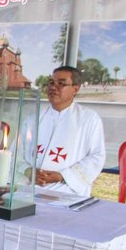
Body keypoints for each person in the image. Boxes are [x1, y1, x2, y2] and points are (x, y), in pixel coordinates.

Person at [34, 65, 106, 197]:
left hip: (67, 193)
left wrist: (62, 176)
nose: (53, 87)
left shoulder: (89, 119)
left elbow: (96, 157)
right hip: (30, 191)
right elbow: (17, 154)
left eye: (61, 83)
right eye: (51, 82)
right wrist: (29, 172)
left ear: (75, 88)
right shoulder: (34, 119)